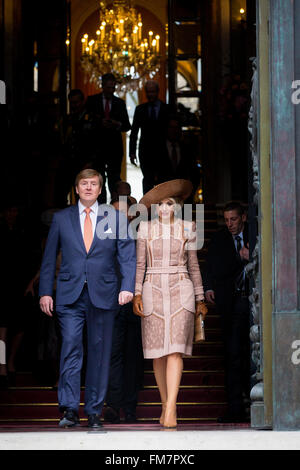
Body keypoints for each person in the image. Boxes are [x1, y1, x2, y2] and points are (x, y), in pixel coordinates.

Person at [38, 168, 136, 429]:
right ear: (77, 188)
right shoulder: (62, 219)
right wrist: (46, 291)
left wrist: (127, 287)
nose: (89, 188)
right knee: (70, 346)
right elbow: (49, 259)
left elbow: (127, 255)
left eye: (94, 184)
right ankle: (69, 409)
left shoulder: (115, 218)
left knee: (100, 353)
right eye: (84, 184)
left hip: (103, 294)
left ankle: (94, 411)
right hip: (69, 295)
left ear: (100, 189)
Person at [133, 180, 207, 428]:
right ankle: (166, 405)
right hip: (152, 287)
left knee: (175, 350)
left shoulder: (189, 228)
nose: (164, 208)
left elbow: (194, 265)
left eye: (169, 204)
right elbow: (140, 265)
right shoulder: (144, 229)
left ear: (176, 206)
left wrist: (200, 298)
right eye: (160, 205)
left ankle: (172, 408)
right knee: (157, 354)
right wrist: (137, 294)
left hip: (181, 288)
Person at [203, 201, 250, 423]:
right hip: (230, 305)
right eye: (226, 219)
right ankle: (235, 406)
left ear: (244, 218)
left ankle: (256, 402)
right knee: (232, 355)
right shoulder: (220, 239)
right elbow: (215, 268)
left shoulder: (256, 233)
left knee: (252, 354)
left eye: (233, 219)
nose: (230, 224)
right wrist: (239, 258)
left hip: (254, 304)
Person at [104, 196, 144, 424]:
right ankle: (113, 405)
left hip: (136, 304)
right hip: (110, 304)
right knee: (112, 356)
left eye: (124, 212)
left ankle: (130, 409)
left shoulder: (141, 235)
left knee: (134, 358)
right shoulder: (103, 236)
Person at [86, 74, 131, 203]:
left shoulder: (120, 103)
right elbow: (85, 122)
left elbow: (127, 126)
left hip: (114, 148)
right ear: (103, 86)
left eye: (113, 87)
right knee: (98, 181)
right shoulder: (92, 101)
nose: (111, 90)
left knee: (114, 180)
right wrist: (99, 122)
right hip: (96, 148)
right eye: (108, 87)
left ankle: (116, 210)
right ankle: (100, 211)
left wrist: (117, 124)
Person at [55, 89, 98, 207]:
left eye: (77, 102)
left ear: (82, 102)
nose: (74, 105)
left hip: (84, 164)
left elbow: (96, 143)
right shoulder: (67, 119)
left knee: (85, 198)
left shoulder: (92, 119)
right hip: (68, 163)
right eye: (72, 103)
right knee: (60, 196)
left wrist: (90, 162)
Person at [129, 80, 170, 194]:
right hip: (145, 152)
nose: (150, 94)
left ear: (157, 92)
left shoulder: (166, 109)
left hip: (162, 151)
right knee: (147, 182)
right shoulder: (140, 109)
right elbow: (134, 132)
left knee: (163, 183)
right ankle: (147, 210)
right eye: (148, 92)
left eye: (153, 92)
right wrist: (132, 153)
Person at [159, 116, 199, 199]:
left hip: (185, 198)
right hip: (163, 199)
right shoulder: (157, 150)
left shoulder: (187, 149)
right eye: (171, 127)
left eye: (177, 127)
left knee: (188, 212)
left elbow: (195, 173)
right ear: (166, 129)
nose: (174, 130)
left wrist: (191, 192)